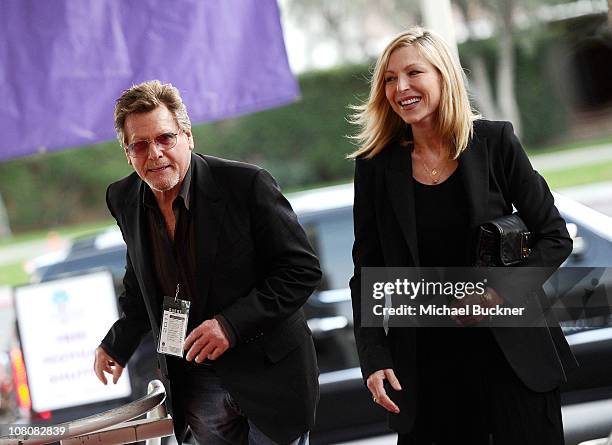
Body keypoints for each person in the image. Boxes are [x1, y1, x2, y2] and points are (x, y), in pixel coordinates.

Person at [348, 27, 578, 445]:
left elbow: (554, 237)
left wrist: (496, 293)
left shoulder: (494, 142)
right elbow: (366, 273)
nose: (401, 87)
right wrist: (374, 356)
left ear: (443, 76)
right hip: (426, 369)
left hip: (513, 361)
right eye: (389, 79)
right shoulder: (375, 168)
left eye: (414, 73)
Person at [93, 80, 321, 445]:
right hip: (194, 381)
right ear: (127, 153)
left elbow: (301, 270)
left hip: (268, 374)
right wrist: (117, 343)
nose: (154, 154)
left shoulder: (246, 184)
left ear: (188, 137)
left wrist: (230, 325)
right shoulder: (123, 198)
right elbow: (141, 281)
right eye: (139, 145)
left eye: (165, 138)